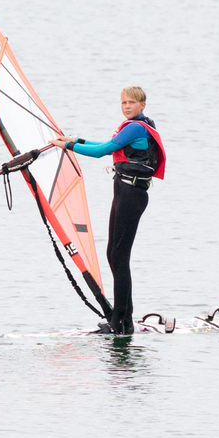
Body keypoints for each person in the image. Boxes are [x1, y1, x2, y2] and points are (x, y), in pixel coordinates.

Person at [50, 86, 166, 335]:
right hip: (124, 192)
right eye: (123, 102)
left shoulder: (136, 127)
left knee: (120, 256)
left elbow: (102, 152)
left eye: (132, 103)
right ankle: (125, 318)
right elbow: (107, 144)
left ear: (142, 105)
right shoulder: (132, 126)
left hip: (131, 194)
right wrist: (75, 141)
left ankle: (120, 322)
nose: (127, 107)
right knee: (113, 254)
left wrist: (68, 147)